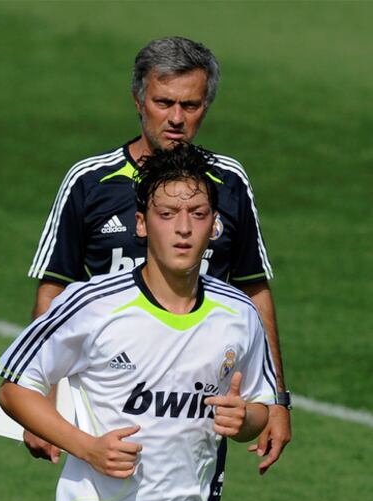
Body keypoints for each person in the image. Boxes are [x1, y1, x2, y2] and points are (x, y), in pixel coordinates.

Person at [0, 144, 276, 501]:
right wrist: (87, 447)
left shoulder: (239, 315)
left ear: (215, 225)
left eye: (198, 213)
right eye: (167, 213)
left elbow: (259, 409)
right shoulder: (93, 304)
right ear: (142, 224)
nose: (184, 227)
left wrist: (246, 417)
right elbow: (14, 387)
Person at [25, 36, 290, 472]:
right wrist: (43, 396)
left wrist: (277, 401)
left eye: (191, 105)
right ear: (138, 99)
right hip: (109, 392)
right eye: (164, 102)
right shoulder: (90, 181)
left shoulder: (228, 182)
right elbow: (55, 287)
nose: (176, 119)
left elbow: (253, 289)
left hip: (194, 400)